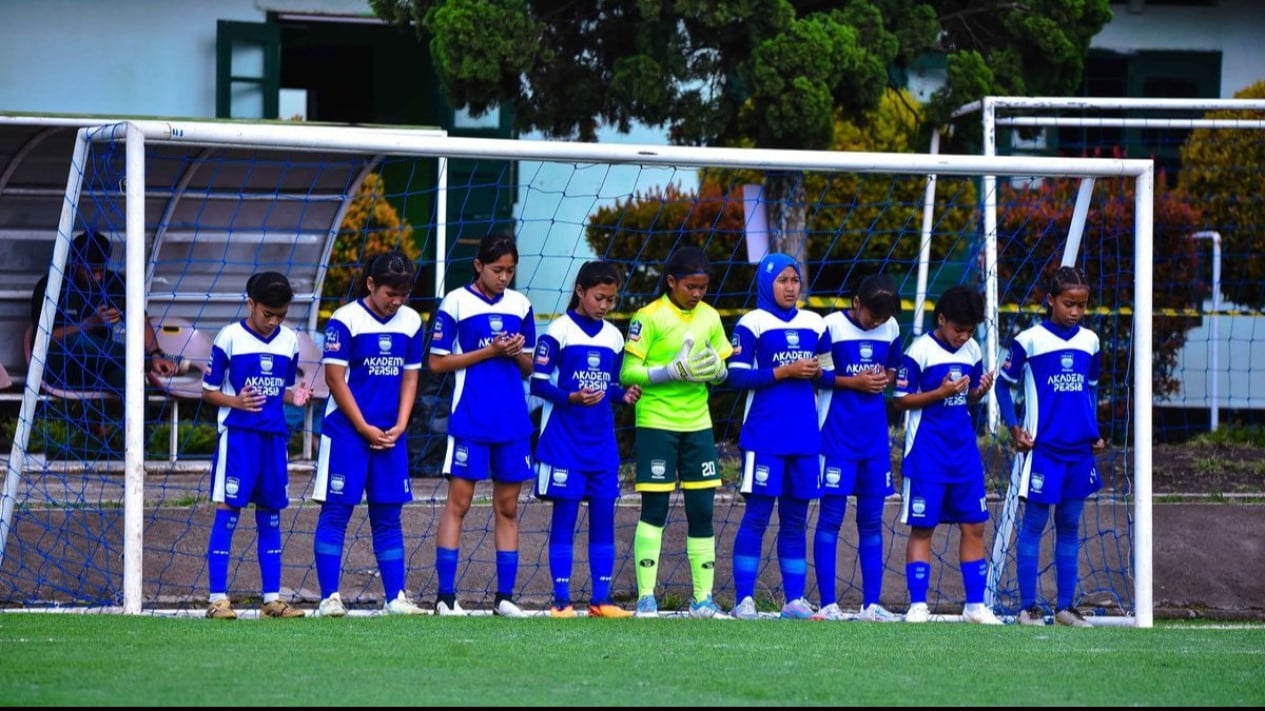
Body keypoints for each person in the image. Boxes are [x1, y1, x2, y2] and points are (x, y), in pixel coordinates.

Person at [619, 244, 733, 619]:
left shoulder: (711, 317)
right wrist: (668, 371)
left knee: (702, 511)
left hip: (698, 425)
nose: (698, 294)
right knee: (655, 508)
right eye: (691, 287)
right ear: (671, 282)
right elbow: (628, 373)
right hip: (657, 424)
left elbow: (721, 365)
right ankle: (646, 598)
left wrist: (718, 372)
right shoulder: (648, 317)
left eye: (703, 287)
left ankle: (703, 600)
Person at [311, 251, 425, 617]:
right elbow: (334, 379)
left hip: (391, 433)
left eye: (403, 294)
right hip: (347, 432)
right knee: (337, 511)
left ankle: (396, 597)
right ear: (371, 284)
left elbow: (411, 375)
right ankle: (330, 596)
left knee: (388, 515)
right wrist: (362, 426)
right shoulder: (345, 320)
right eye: (390, 293)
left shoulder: (409, 321)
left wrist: (402, 422)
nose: (396, 301)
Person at [428, 233, 536, 617]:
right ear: (478, 266)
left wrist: (515, 353)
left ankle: (504, 597)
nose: (504, 277)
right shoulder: (455, 302)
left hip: (511, 424)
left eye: (509, 270)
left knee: (508, 509)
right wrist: (489, 350)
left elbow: (531, 369)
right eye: (496, 270)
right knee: (459, 505)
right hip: (470, 420)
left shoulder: (521, 305)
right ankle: (445, 597)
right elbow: (437, 362)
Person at [995, 266, 1107, 628]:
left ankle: (1064, 608)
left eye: (1081, 305)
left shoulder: (1090, 341)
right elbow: (1002, 385)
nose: (1075, 311)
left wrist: (1095, 431)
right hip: (1043, 450)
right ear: (1051, 300)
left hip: (1079, 452)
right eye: (1068, 303)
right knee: (1034, 524)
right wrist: (1014, 427)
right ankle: (1028, 607)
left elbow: (1090, 389)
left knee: (1071, 525)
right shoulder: (1029, 341)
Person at [531, 261, 642, 619]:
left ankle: (602, 600)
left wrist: (623, 395)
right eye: (599, 297)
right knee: (564, 516)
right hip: (564, 443)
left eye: (610, 299)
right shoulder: (558, 332)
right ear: (580, 291)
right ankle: (561, 600)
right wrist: (571, 397)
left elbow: (608, 385)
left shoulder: (614, 336)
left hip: (601, 445)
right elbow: (538, 383)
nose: (605, 305)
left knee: (603, 518)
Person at [725, 252, 829, 620]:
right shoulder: (751, 323)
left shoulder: (815, 324)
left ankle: (794, 600)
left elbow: (827, 374)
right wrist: (785, 370)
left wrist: (819, 373)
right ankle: (744, 600)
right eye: (782, 280)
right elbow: (735, 375)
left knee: (796, 520)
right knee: (756, 515)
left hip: (804, 439)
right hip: (764, 436)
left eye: (794, 280)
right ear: (767, 282)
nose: (790, 287)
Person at [201, 272, 311, 619]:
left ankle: (272, 600)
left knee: (271, 518)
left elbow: (281, 388)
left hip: (273, 441)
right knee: (228, 513)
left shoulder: (289, 341)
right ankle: (218, 598)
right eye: (268, 314)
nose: (274, 322)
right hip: (238, 440)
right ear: (251, 304)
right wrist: (236, 402)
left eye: (281, 315)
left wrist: (295, 396)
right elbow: (207, 391)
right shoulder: (229, 338)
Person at [891, 284, 1002, 624]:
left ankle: (975, 606)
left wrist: (979, 392)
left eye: (970, 331)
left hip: (963, 455)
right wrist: (938, 392)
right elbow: (900, 399)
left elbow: (968, 399)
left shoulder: (971, 351)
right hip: (927, 455)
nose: (963, 337)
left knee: (975, 526)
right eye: (958, 330)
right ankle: (918, 605)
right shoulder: (920, 351)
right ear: (942, 320)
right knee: (923, 528)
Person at [812, 273, 904, 622]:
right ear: (856, 303)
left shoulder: (892, 328)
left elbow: (894, 368)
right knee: (831, 518)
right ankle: (828, 605)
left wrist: (886, 378)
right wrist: (857, 381)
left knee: (871, 521)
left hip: (874, 440)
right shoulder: (830, 327)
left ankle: (872, 605)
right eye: (872, 316)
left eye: (883, 318)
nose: (878, 323)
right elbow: (816, 375)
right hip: (835, 436)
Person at [29, 229, 176, 392]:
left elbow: (140, 320)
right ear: (77, 264)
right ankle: (142, 361)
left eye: (102, 269)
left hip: (102, 365)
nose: (99, 276)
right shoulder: (52, 285)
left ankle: (143, 415)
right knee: (79, 340)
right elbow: (41, 341)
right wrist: (91, 322)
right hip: (61, 367)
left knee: (132, 382)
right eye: (92, 271)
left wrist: (155, 353)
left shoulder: (114, 283)